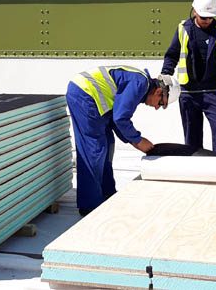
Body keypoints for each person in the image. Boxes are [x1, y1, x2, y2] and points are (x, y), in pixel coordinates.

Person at [66, 66, 178, 215]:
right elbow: (120, 118)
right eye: (161, 103)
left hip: (91, 98)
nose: (157, 108)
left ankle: (107, 193)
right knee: (94, 149)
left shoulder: (140, 85)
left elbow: (117, 118)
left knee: (108, 144)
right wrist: (138, 140)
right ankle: (90, 206)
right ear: (158, 92)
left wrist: (133, 140)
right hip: (84, 95)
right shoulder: (140, 84)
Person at [161, 0, 216, 156]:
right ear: (194, 11)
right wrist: (164, 78)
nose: (208, 21)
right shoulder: (182, 30)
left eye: (210, 17)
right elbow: (171, 56)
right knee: (192, 140)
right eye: (204, 17)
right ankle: (196, 172)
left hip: (214, 91)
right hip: (189, 92)